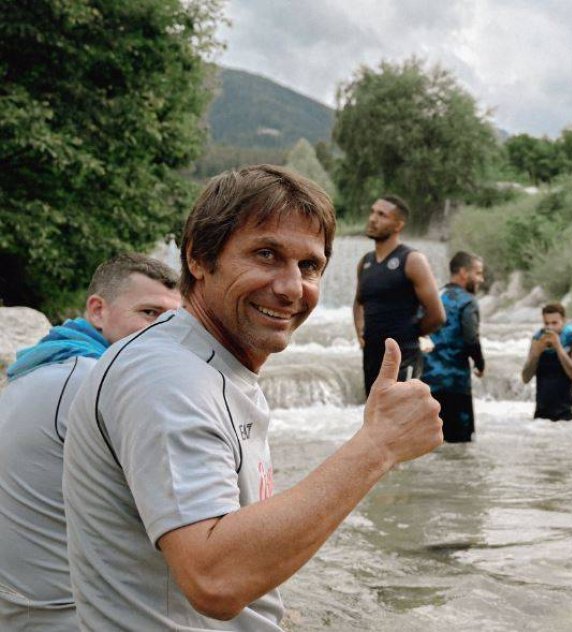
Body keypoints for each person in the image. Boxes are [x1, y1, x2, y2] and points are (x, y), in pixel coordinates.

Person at [62, 165, 443, 630]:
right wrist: (378, 446)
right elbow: (215, 578)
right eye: (266, 254)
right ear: (199, 259)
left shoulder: (211, 361)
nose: (290, 288)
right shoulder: (167, 376)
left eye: (310, 266)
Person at [0, 253, 181, 630]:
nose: (165, 331)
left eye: (174, 319)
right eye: (149, 313)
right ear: (98, 311)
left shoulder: (41, 366)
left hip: (18, 600)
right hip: (60, 614)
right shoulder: (96, 384)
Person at [354, 195, 445, 395]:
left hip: (405, 356)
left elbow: (437, 315)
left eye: (382, 215)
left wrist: (410, 333)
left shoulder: (412, 260)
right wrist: (360, 333)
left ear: (398, 225)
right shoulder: (365, 262)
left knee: (402, 419)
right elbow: (359, 302)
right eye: (372, 212)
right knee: (375, 418)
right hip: (372, 356)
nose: (372, 218)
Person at [421, 251, 485, 443]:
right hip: (455, 383)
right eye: (478, 273)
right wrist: (480, 363)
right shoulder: (467, 300)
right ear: (464, 273)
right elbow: (470, 337)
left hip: (427, 382)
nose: (481, 279)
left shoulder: (435, 295)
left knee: (432, 444)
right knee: (460, 445)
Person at [521, 303, 572, 421]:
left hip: (567, 414)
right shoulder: (538, 339)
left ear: (564, 321)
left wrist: (559, 348)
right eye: (546, 323)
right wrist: (536, 354)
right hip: (541, 416)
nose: (550, 328)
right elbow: (525, 378)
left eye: (554, 323)